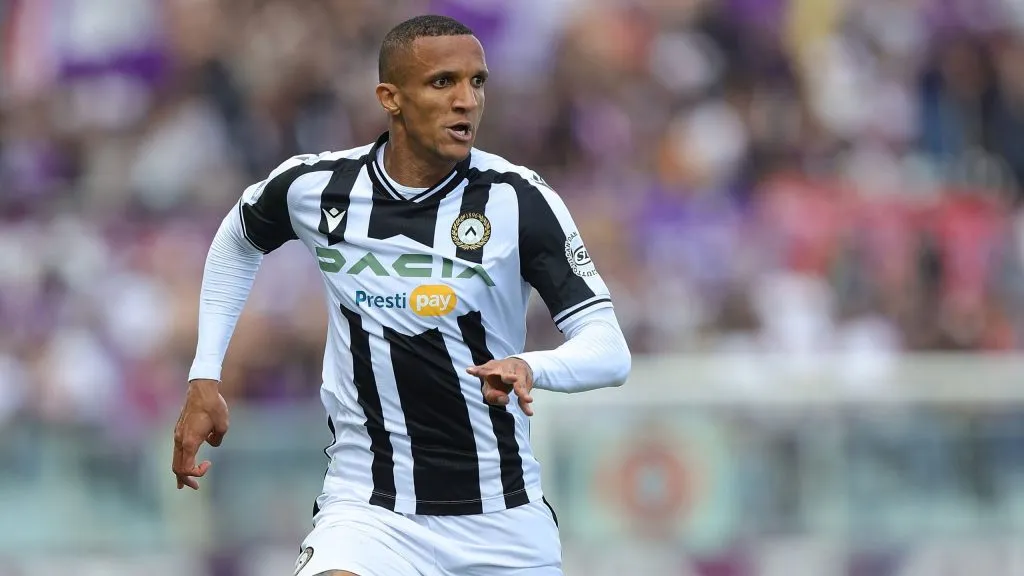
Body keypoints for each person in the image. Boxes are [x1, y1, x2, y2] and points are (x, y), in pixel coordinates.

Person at [171, 14, 631, 576]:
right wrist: (205, 374)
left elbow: (609, 349)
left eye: (477, 82)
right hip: (371, 510)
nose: (467, 101)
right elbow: (237, 239)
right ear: (391, 98)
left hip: (501, 517)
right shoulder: (317, 187)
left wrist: (532, 367)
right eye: (444, 82)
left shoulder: (519, 202)